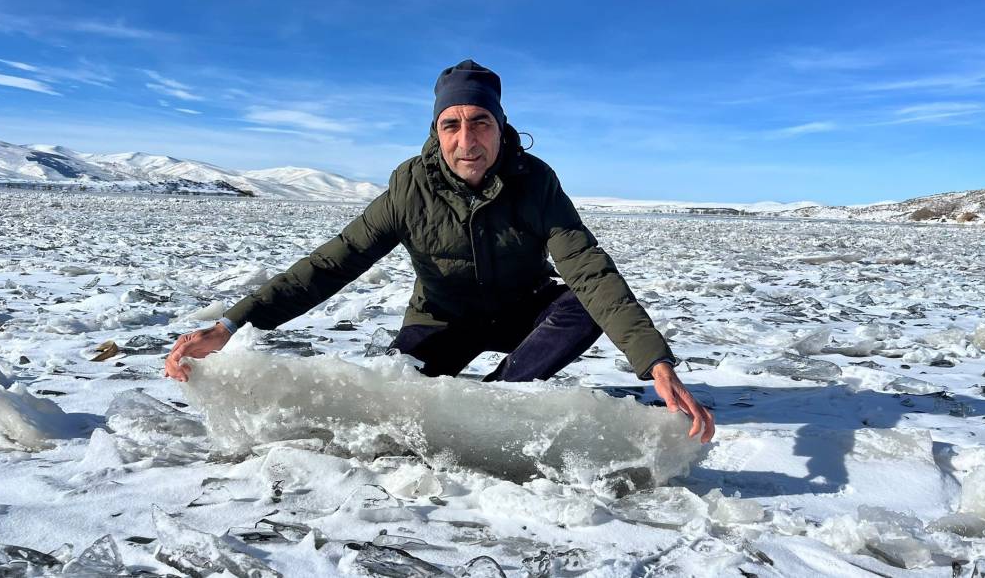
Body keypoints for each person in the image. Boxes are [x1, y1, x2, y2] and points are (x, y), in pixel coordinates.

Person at [166, 59, 714, 443]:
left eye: (480, 123)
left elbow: (590, 269)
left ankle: (497, 400)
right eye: (451, 125)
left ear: (501, 129)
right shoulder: (410, 187)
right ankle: (456, 395)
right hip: (442, 319)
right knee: (391, 404)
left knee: (578, 304)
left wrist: (655, 362)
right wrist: (233, 323)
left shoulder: (535, 183)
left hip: (520, 314)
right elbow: (330, 264)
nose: (466, 140)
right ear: (436, 131)